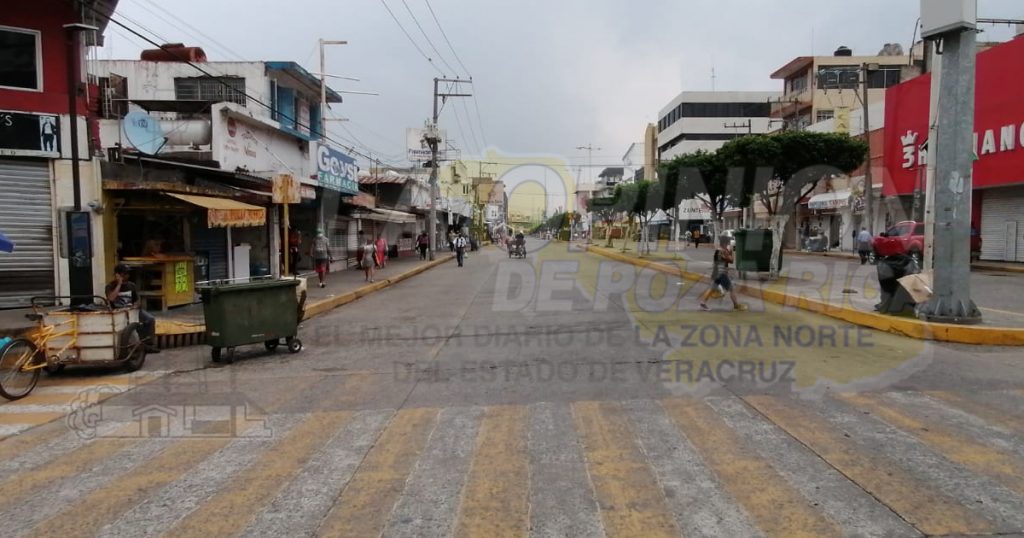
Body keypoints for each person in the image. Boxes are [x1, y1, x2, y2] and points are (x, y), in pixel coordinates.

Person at [105, 264, 160, 353]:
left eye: (127, 274)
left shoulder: (131, 285)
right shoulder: (110, 286)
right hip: (119, 313)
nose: (127, 276)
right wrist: (119, 284)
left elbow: (137, 300)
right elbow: (111, 298)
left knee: (150, 319)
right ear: (117, 275)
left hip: (132, 311)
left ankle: (149, 344)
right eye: (124, 274)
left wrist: (136, 305)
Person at [698, 240, 746, 311]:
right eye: (727, 244)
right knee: (731, 289)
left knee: (712, 288)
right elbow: (731, 260)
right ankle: (736, 305)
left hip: (715, 272)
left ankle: (703, 303)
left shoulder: (717, 250)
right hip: (721, 273)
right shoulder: (723, 251)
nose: (728, 245)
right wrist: (731, 251)